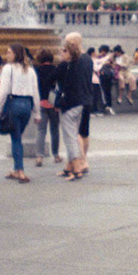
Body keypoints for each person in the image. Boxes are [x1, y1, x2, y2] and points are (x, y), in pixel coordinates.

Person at [0, 44, 41, 183]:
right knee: (18, 136)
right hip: (27, 105)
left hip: (13, 104)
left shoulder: (8, 69)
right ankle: (17, 168)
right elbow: (35, 93)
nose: (7, 55)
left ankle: (20, 171)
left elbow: (3, 91)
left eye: (9, 52)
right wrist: (37, 113)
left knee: (16, 139)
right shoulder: (30, 70)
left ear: (16, 54)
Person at [56, 33, 90, 180]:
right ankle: (71, 165)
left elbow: (69, 82)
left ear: (75, 43)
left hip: (75, 101)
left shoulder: (75, 61)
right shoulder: (87, 58)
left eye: (67, 43)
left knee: (75, 135)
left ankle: (80, 163)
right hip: (86, 98)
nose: (65, 46)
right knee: (80, 132)